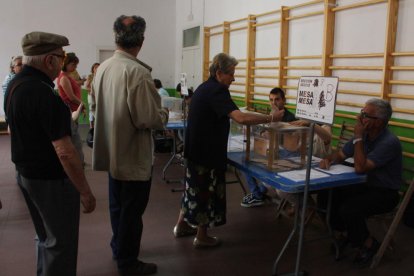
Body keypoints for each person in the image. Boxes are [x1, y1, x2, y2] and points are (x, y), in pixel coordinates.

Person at [5, 31, 96, 276]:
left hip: (26, 175)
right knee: (61, 243)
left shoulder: (15, 86)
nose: (62, 61)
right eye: (60, 56)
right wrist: (85, 191)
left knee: (44, 237)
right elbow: (64, 151)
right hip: (50, 181)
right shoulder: (44, 93)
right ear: (49, 60)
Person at [173, 52, 284, 248]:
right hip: (205, 154)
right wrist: (271, 118)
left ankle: (181, 226)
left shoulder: (203, 87)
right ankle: (201, 236)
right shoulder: (218, 91)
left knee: (192, 189)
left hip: (195, 150)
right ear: (219, 73)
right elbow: (240, 118)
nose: (234, 78)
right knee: (205, 193)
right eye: (231, 74)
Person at [92, 15, 169, 276]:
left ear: (116, 37)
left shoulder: (102, 68)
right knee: (132, 213)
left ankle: (118, 247)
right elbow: (147, 118)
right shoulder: (137, 72)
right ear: (142, 40)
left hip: (113, 153)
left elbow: (94, 107)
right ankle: (128, 262)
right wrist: (165, 115)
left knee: (117, 207)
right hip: (133, 156)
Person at [318, 98, 402, 267]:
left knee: (350, 209)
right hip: (364, 185)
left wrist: (357, 138)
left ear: (379, 121)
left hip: (385, 192)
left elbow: (360, 168)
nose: (360, 117)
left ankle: (369, 243)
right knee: (326, 194)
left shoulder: (388, 142)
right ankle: (345, 233)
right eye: (361, 113)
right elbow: (341, 155)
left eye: (365, 115)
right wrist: (329, 159)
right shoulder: (365, 135)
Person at [240, 87, 297, 207]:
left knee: (268, 168)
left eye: (277, 99)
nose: (274, 103)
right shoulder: (270, 115)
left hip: (284, 155)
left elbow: (290, 144)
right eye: (271, 100)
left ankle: (258, 194)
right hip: (270, 150)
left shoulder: (290, 118)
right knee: (245, 161)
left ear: (283, 101)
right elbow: (264, 133)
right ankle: (257, 193)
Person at [57, 52, 85, 163]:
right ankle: (75, 162)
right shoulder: (63, 77)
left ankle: (75, 161)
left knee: (74, 135)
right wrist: (82, 104)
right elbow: (71, 97)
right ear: (66, 63)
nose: (75, 67)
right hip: (69, 110)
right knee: (73, 138)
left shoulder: (68, 76)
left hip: (73, 109)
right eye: (73, 64)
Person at [85, 62, 100, 128]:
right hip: (91, 96)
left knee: (98, 111)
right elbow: (86, 87)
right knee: (92, 110)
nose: (97, 69)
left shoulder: (100, 75)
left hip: (99, 96)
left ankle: (97, 127)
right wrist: (92, 92)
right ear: (93, 69)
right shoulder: (90, 76)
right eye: (96, 67)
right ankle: (92, 127)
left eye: (98, 67)